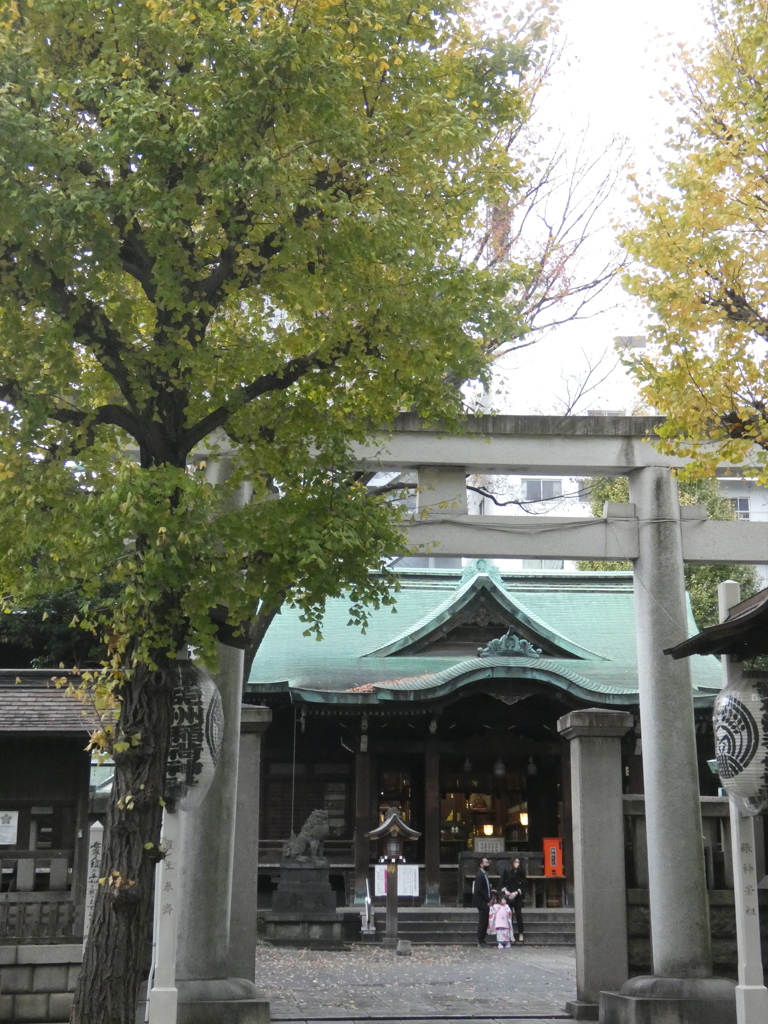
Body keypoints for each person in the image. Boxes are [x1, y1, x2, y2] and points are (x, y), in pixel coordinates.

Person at [501, 856, 526, 943]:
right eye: (515, 862)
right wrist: (506, 891)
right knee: (509, 915)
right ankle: (510, 934)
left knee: (518, 914)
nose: (517, 864)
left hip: (517, 895)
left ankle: (521, 933)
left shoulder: (521, 873)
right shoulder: (507, 871)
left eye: (518, 862)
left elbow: (523, 885)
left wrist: (516, 892)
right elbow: (502, 883)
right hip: (509, 895)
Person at [472, 856, 492, 947]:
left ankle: (482, 939)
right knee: (483, 921)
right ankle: (480, 940)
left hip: (485, 900)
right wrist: (488, 899)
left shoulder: (484, 874)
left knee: (485, 921)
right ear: (481, 864)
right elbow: (479, 890)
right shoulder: (480, 875)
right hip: (481, 901)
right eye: (486, 862)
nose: (487, 864)